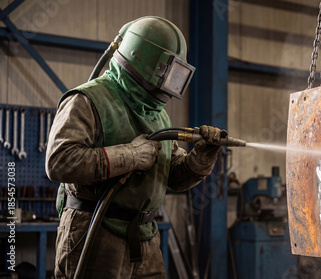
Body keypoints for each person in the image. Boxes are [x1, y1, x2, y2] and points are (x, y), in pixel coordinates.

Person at [46, 16, 226, 278]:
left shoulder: (158, 115)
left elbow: (172, 178)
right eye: (166, 74)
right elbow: (59, 162)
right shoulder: (87, 100)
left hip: (145, 237)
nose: (167, 87)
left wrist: (201, 157)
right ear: (141, 61)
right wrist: (129, 156)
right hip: (96, 231)